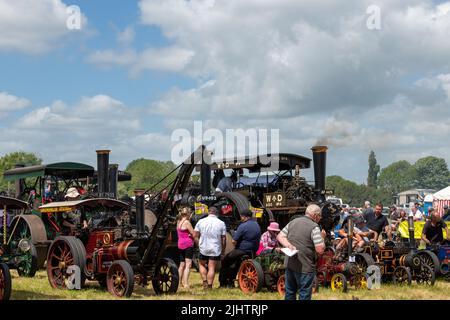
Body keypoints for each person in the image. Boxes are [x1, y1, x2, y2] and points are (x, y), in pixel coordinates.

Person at [277, 204, 325, 300]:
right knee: (304, 294)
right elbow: (320, 250)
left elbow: (280, 236)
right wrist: (322, 237)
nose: (320, 219)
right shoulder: (314, 227)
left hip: (290, 264)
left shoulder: (293, 222)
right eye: (320, 216)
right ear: (315, 215)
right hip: (305, 267)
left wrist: (288, 245)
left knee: (290, 293)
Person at [219, 209, 261, 287]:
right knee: (236, 262)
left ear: (244, 217)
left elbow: (234, 241)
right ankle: (233, 280)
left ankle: (224, 283)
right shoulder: (256, 225)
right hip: (253, 250)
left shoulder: (243, 226)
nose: (241, 218)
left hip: (243, 250)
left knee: (225, 260)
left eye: (241, 216)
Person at [194, 206, 227, 289]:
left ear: (208, 212)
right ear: (217, 214)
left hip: (203, 247)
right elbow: (223, 238)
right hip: (215, 248)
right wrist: (223, 251)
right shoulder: (221, 223)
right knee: (211, 267)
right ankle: (209, 286)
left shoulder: (201, 221)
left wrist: (198, 244)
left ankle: (205, 281)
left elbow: (195, 235)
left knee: (201, 264)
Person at [176, 207, 195, 289]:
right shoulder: (187, 222)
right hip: (188, 245)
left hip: (180, 244)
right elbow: (194, 234)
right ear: (188, 214)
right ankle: (186, 283)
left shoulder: (178, 222)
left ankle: (179, 282)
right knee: (188, 265)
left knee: (181, 265)